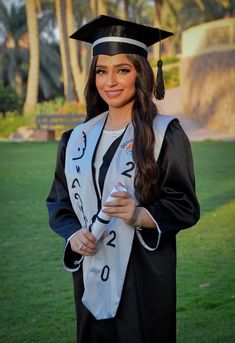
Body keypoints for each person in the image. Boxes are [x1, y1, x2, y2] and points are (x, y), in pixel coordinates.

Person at [47, 15, 200, 343]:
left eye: (122, 70)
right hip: (91, 268)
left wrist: (138, 215)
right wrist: (73, 235)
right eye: (102, 71)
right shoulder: (75, 139)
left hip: (142, 275)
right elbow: (59, 202)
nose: (110, 81)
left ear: (140, 74)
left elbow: (184, 204)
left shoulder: (164, 134)